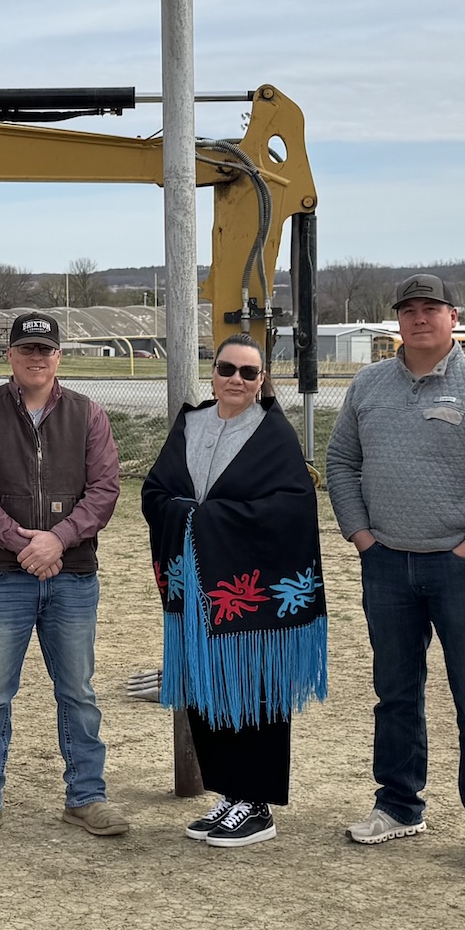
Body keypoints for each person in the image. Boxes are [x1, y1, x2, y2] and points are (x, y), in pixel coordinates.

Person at [327, 273, 465, 870]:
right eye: (409, 310)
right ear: (397, 320)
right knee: (395, 691)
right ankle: (399, 805)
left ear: (453, 317)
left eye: (432, 309)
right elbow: (342, 461)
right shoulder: (369, 385)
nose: (420, 319)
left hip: (459, 568)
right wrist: (362, 535)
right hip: (388, 565)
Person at [0, 311, 127, 842]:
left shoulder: (88, 416)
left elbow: (105, 490)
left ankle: (86, 797)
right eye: (26, 349)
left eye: (45, 350)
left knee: (78, 693)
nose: (36, 358)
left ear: (58, 357)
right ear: (10, 355)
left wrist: (59, 539)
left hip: (71, 576)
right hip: (2, 576)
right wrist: (25, 542)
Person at [141, 335, 327, 848]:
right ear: (213, 371)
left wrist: (208, 517)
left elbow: (292, 506)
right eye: (227, 369)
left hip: (252, 598)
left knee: (254, 689)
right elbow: (156, 491)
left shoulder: (274, 436)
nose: (237, 380)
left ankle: (258, 803)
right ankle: (230, 793)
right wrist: (187, 515)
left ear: (262, 380)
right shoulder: (190, 425)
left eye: (249, 372)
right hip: (199, 593)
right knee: (205, 691)